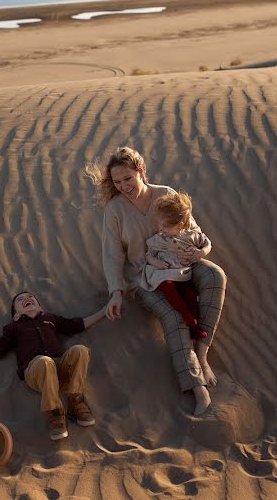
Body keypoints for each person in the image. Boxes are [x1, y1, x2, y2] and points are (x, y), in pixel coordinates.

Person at [86, 147, 227, 416]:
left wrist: (200, 252)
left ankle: (202, 353)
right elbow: (112, 254)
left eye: (128, 179)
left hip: (185, 262)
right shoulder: (114, 210)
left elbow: (193, 229)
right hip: (145, 277)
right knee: (172, 316)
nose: (124, 187)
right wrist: (116, 291)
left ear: (141, 172)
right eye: (117, 182)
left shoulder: (165, 194)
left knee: (215, 275)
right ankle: (197, 387)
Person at [0, 291, 107, 441]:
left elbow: (80, 324)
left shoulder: (50, 319)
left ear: (40, 307)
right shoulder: (14, 328)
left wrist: (106, 310)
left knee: (81, 350)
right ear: (15, 315)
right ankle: (55, 412)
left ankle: (75, 401)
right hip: (36, 372)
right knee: (44, 361)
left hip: (61, 370)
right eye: (20, 300)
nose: (26, 299)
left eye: (31, 297)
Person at [143, 191, 212, 340]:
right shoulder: (158, 239)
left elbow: (207, 244)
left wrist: (201, 253)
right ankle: (186, 315)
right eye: (160, 224)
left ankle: (194, 328)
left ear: (181, 225)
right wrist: (156, 263)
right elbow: (148, 255)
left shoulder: (191, 236)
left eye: (166, 226)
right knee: (167, 286)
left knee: (190, 296)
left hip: (182, 274)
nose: (161, 229)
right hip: (163, 273)